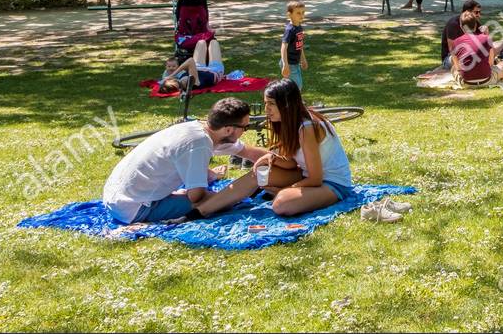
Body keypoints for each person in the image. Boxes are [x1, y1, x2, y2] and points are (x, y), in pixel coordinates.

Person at [190, 80, 356, 219]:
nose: (266, 109)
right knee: (258, 174)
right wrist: (273, 159)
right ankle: (199, 212)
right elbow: (293, 164)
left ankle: (285, 195)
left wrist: (283, 190)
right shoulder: (287, 122)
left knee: (281, 203)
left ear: (286, 105)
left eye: (271, 104)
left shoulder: (307, 127)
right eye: (265, 103)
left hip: (332, 184)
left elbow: (316, 179)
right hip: (305, 176)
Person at [102, 97, 252, 224]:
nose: (245, 131)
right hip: (132, 209)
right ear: (228, 130)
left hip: (114, 197)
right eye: (244, 127)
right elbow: (196, 197)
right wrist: (230, 195)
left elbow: (247, 151)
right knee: (221, 202)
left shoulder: (193, 128)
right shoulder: (200, 143)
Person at [158, 37, 225, 94]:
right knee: (213, 42)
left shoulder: (181, 80)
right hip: (214, 70)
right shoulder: (192, 83)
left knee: (201, 42)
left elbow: (189, 67)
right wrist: (172, 75)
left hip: (198, 67)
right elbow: (190, 60)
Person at [451, 9, 496, 85]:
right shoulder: (486, 38)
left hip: (466, 82)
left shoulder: (456, 42)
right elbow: (491, 63)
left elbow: (458, 67)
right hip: (486, 80)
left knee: (453, 68)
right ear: (475, 25)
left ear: (461, 27)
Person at [440, 0, 482, 67]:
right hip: (451, 57)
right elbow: (452, 50)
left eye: (480, 12)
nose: (479, 15)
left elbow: (483, 43)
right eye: (476, 12)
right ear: (467, 12)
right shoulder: (453, 24)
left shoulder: (475, 23)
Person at [280, 0, 307, 88]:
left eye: (303, 12)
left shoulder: (299, 27)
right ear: (289, 14)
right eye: (298, 13)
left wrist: (303, 59)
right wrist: (285, 64)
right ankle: (293, 101)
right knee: (296, 86)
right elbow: (283, 47)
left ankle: (285, 99)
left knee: (293, 86)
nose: (302, 15)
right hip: (289, 63)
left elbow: (300, 45)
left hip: (295, 63)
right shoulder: (289, 30)